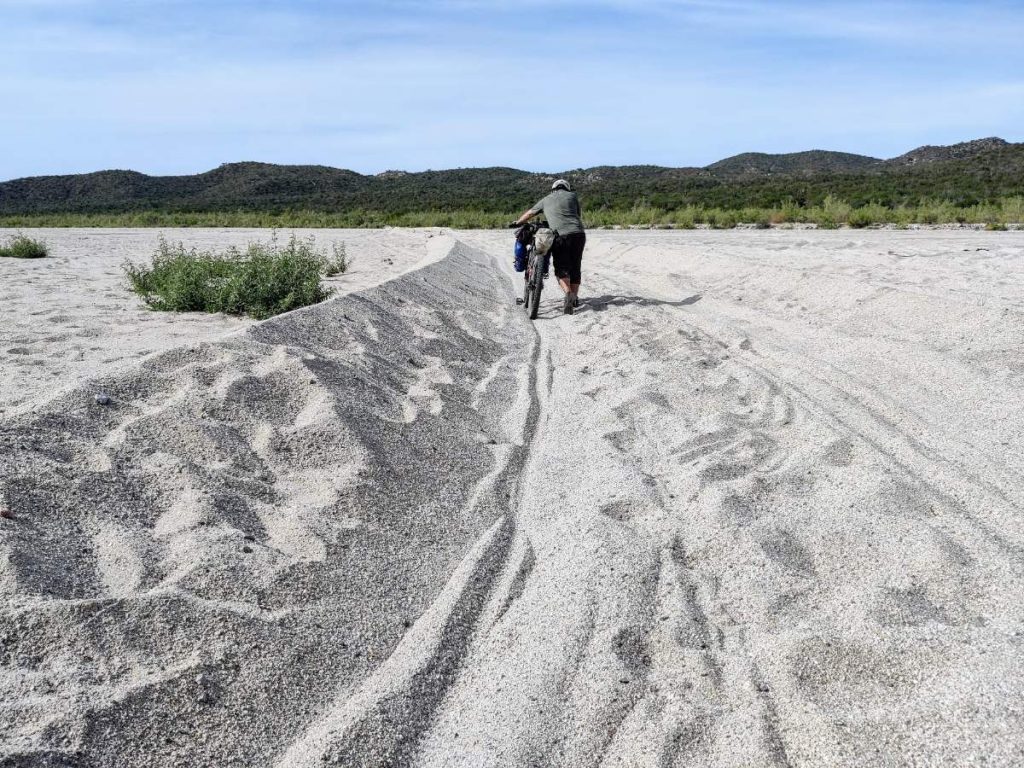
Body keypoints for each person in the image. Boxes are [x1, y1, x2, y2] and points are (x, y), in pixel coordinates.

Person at [515, 179, 586, 315]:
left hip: (560, 235)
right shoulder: (573, 196)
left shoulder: (546, 199)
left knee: (561, 268)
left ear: (553, 189)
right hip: (578, 234)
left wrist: (518, 222)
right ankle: (574, 298)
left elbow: (530, 213)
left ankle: (568, 293)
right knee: (576, 266)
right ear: (567, 188)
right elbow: (578, 215)